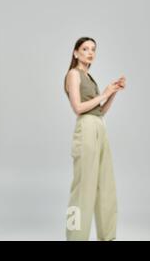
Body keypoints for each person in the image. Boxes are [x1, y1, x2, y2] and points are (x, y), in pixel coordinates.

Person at [64, 37, 126, 241]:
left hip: (99, 126)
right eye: (85, 48)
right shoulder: (73, 74)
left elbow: (101, 110)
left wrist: (112, 92)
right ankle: (75, 238)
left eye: (93, 49)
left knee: (105, 185)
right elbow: (78, 108)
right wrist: (104, 93)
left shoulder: (89, 77)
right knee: (83, 188)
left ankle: (108, 237)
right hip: (86, 128)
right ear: (76, 53)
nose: (90, 52)